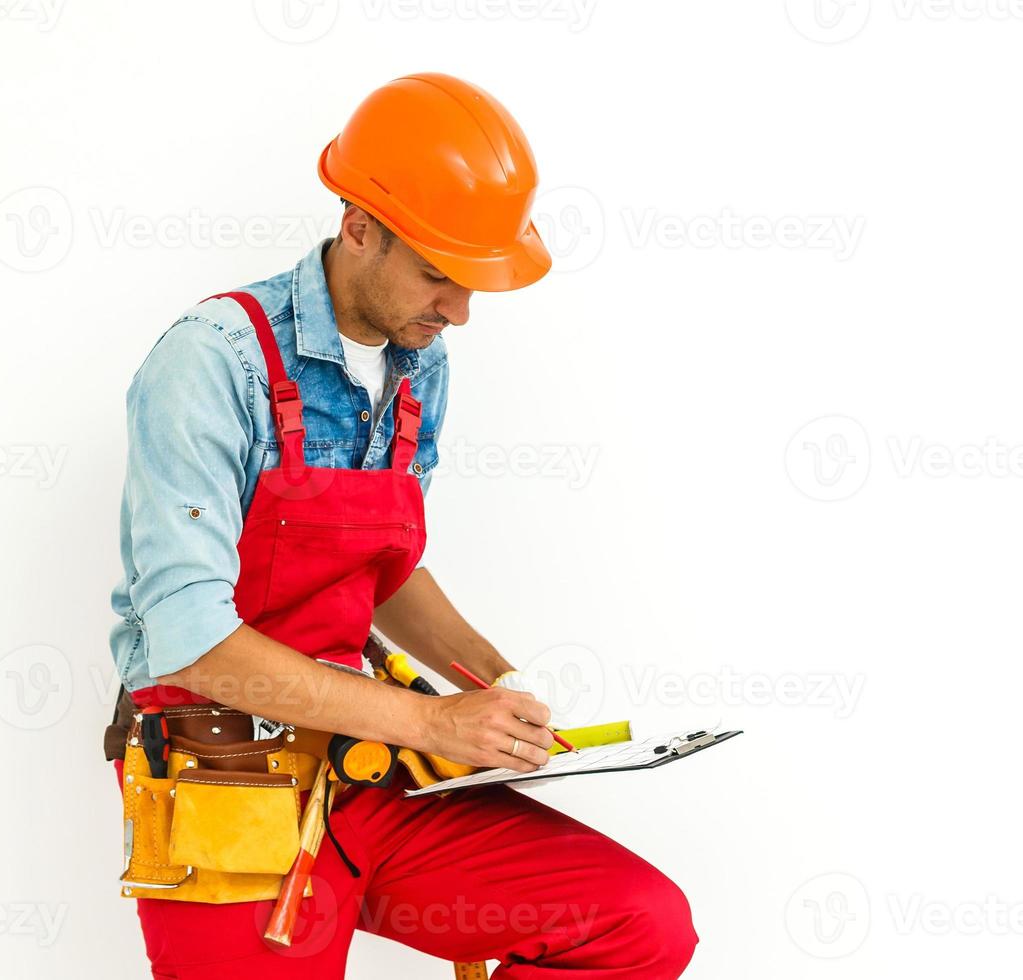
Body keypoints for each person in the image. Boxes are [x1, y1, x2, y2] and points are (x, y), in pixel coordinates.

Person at [106, 72, 698, 979]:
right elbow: (192, 645)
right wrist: (437, 724)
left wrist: (498, 687)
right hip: (228, 786)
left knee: (636, 924)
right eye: (438, 275)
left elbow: (385, 567)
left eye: (472, 284)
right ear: (358, 229)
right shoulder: (212, 361)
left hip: (366, 772)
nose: (458, 310)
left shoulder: (418, 361)